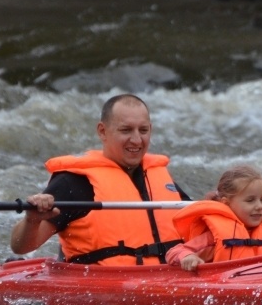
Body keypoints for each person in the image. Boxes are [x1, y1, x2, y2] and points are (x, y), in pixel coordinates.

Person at [10, 93, 190, 266]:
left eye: (143, 130)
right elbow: (21, 247)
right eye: (126, 130)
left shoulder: (160, 179)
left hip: (166, 278)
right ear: (102, 131)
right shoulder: (73, 183)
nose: (136, 140)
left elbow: (198, 227)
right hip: (104, 284)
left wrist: (213, 204)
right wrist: (32, 221)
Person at [166, 165, 262, 271]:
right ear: (226, 204)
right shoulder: (213, 238)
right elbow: (174, 252)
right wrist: (187, 257)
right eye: (250, 200)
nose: (259, 206)